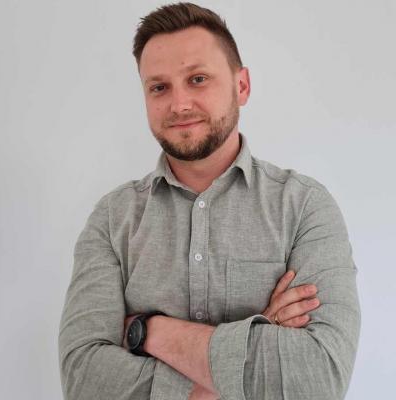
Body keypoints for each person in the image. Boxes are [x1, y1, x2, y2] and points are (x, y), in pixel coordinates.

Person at [58, 3, 361, 400]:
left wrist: (147, 331)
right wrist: (254, 343)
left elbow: (319, 379)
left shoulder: (305, 207)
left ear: (242, 86)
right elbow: (83, 378)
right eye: (159, 87)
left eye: (197, 79)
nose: (179, 104)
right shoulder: (112, 218)